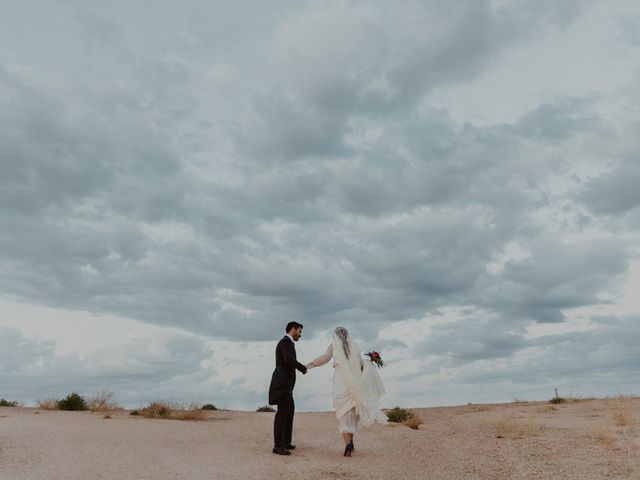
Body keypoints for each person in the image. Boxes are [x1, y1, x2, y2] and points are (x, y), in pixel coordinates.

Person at [306, 327, 387, 457]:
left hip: (340, 383)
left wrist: (309, 365)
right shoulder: (354, 346)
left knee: (344, 413)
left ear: (336, 336)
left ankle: (348, 444)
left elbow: (324, 359)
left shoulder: (333, 347)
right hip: (353, 383)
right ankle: (351, 442)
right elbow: (360, 364)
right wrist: (370, 363)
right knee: (352, 412)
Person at [268, 321, 308, 455]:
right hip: (282, 385)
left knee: (289, 411)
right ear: (293, 329)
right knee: (282, 414)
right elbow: (288, 360)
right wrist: (302, 368)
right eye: (299, 331)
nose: (300, 335)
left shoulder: (288, 343)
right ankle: (278, 446)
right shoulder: (285, 342)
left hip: (287, 385)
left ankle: (286, 442)